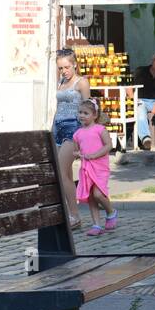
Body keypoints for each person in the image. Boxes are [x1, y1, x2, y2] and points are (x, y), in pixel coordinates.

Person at [53, 48, 92, 230]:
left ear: (75, 64)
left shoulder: (81, 82)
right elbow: (58, 107)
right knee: (65, 174)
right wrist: (51, 130)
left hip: (73, 130)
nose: (64, 71)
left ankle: (74, 216)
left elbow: (89, 109)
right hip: (58, 130)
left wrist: (86, 135)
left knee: (61, 172)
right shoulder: (61, 81)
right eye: (61, 68)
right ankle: (72, 214)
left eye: (67, 67)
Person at [71, 98, 117, 237]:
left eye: (86, 113)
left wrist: (95, 155)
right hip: (86, 168)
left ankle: (110, 211)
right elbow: (77, 149)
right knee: (91, 196)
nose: (82, 115)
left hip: (100, 167)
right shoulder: (77, 134)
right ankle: (96, 224)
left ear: (95, 115)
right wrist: (78, 154)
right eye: (80, 113)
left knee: (98, 194)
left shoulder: (100, 129)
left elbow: (108, 145)